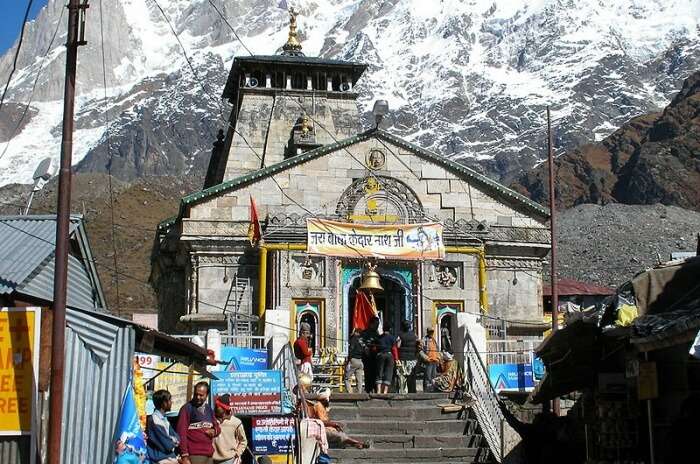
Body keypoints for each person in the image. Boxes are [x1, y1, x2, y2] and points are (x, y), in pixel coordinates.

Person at [177, 381, 221, 464]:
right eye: (196, 394)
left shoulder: (209, 409)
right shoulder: (187, 408)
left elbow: (217, 427)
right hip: (194, 455)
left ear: (207, 395)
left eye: (201, 395)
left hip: (209, 455)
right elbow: (181, 432)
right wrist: (185, 456)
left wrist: (214, 431)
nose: (198, 397)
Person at [147, 389, 180, 464]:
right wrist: (173, 441)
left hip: (169, 458)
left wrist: (173, 440)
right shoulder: (155, 420)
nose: (171, 402)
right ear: (164, 403)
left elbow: (177, 437)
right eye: (170, 400)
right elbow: (168, 445)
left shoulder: (164, 419)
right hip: (162, 459)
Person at [212, 394, 247, 464]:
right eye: (215, 405)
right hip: (211, 460)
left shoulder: (236, 422)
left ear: (224, 408)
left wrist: (238, 454)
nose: (215, 407)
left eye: (218, 406)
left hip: (229, 460)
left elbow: (243, 441)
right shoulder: (210, 420)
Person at [396, 320, 418, 394]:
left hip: (403, 358)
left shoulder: (400, 335)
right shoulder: (414, 335)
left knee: (402, 376)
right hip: (412, 359)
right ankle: (412, 391)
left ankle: (403, 391)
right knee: (411, 376)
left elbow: (398, 346)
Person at [360, 316, 380, 393]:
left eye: (378, 324)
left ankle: (374, 388)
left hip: (375, 358)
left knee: (375, 373)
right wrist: (365, 348)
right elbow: (361, 342)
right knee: (368, 373)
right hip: (367, 357)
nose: (377, 326)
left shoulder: (377, 334)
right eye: (375, 324)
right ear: (371, 324)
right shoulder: (365, 333)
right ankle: (368, 389)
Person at [375, 327, 396, 394]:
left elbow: (375, 348)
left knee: (379, 371)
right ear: (390, 329)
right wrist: (396, 358)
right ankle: (385, 391)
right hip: (389, 355)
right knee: (388, 372)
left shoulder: (379, 337)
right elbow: (394, 348)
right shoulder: (392, 338)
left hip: (380, 355)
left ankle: (378, 390)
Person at [344, 327, 366, 392]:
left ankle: (350, 393)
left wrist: (348, 361)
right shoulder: (362, 340)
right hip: (360, 361)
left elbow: (351, 350)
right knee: (359, 379)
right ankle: (359, 393)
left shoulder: (353, 339)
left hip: (354, 360)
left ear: (356, 332)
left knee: (346, 378)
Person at [422, 328, 440, 392]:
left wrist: (438, 358)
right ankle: (427, 389)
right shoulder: (424, 340)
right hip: (428, 361)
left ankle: (432, 388)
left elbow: (437, 350)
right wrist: (426, 358)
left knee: (433, 376)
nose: (432, 333)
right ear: (428, 332)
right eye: (430, 332)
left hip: (435, 360)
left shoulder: (434, 340)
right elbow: (420, 350)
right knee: (427, 376)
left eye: (432, 332)